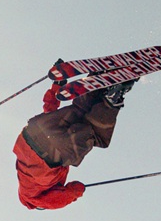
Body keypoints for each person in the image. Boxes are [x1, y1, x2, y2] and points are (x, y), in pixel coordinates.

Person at [12, 79, 131, 209]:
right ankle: (97, 82)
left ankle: (111, 99)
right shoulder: (23, 172)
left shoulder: (32, 200)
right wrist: (56, 86)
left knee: (95, 136)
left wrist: (78, 192)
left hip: (49, 154)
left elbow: (71, 191)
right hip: (35, 130)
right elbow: (49, 110)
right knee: (78, 112)